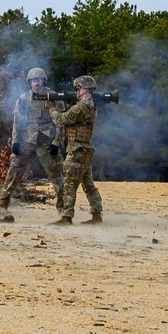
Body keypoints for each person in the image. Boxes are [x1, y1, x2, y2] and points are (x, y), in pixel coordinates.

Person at [0, 67, 65, 222]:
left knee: (57, 175)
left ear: (44, 81)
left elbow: (61, 122)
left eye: (38, 80)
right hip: (27, 139)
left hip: (46, 140)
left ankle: (65, 211)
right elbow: (17, 121)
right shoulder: (24, 98)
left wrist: (57, 142)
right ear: (29, 83)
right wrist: (16, 141)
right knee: (14, 172)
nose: (36, 83)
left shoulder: (53, 97)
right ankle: (2, 205)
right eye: (33, 80)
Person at [47, 75, 103, 225]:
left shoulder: (82, 107)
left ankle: (66, 217)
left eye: (78, 89)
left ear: (86, 89)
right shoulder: (90, 106)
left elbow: (61, 119)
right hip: (85, 149)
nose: (76, 91)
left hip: (77, 149)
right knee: (88, 184)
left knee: (69, 184)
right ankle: (97, 215)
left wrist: (51, 107)